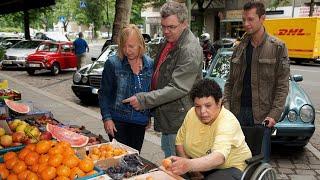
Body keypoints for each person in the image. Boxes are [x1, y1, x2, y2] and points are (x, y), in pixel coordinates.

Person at [122, 1, 203, 157]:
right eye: (163, 26)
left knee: (176, 165)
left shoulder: (189, 49)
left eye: (171, 27)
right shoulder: (171, 40)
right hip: (168, 117)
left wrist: (144, 100)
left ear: (184, 23)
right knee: (169, 157)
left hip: (179, 120)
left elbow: (178, 88)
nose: (166, 31)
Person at [223, 1, 290, 162]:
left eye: (251, 19)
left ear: (262, 18)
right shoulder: (239, 47)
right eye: (244, 19)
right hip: (237, 114)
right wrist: (227, 109)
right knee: (236, 161)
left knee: (260, 162)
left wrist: (274, 115)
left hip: (262, 117)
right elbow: (229, 83)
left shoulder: (278, 47)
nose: (246, 24)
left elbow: (282, 85)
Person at [169, 79, 252, 180]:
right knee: (169, 173)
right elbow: (179, 143)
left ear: (219, 102)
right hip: (198, 165)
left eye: (208, 105)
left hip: (230, 168)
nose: (202, 111)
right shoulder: (191, 113)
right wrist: (192, 171)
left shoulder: (227, 122)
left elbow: (219, 157)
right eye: (198, 106)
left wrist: (189, 165)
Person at [98, 24, 154, 152]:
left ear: (140, 44)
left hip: (140, 122)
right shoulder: (113, 63)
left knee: (134, 158)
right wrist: (107, 119)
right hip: (117, 122)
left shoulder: (150, 64)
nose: (127, 50)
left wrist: (148, 116)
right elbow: (104, 94)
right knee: (119, 159)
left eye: (131, 46)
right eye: (124, 46)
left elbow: (150, 93)